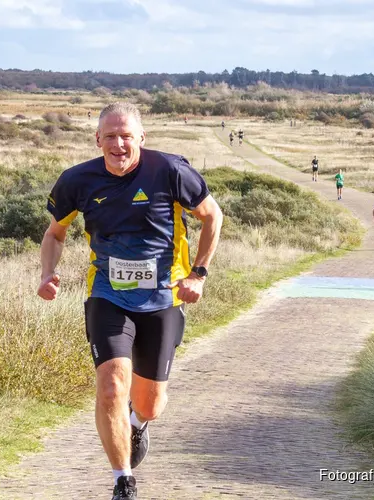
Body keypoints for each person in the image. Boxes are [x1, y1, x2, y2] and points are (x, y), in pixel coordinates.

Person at [38, 102, 223, 500]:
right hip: (107, 295)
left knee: (151, 403)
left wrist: (198, 274)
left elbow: (212, 216)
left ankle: (138, 424)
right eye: (110, 137)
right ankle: (123, 480)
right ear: (98, 140)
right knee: (110, 386)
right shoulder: (77, 181)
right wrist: (47, 274)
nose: (118, 144)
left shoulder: (170, 171)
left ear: (141, 138)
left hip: (163, 297)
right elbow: (55, 234)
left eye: (126, 136)